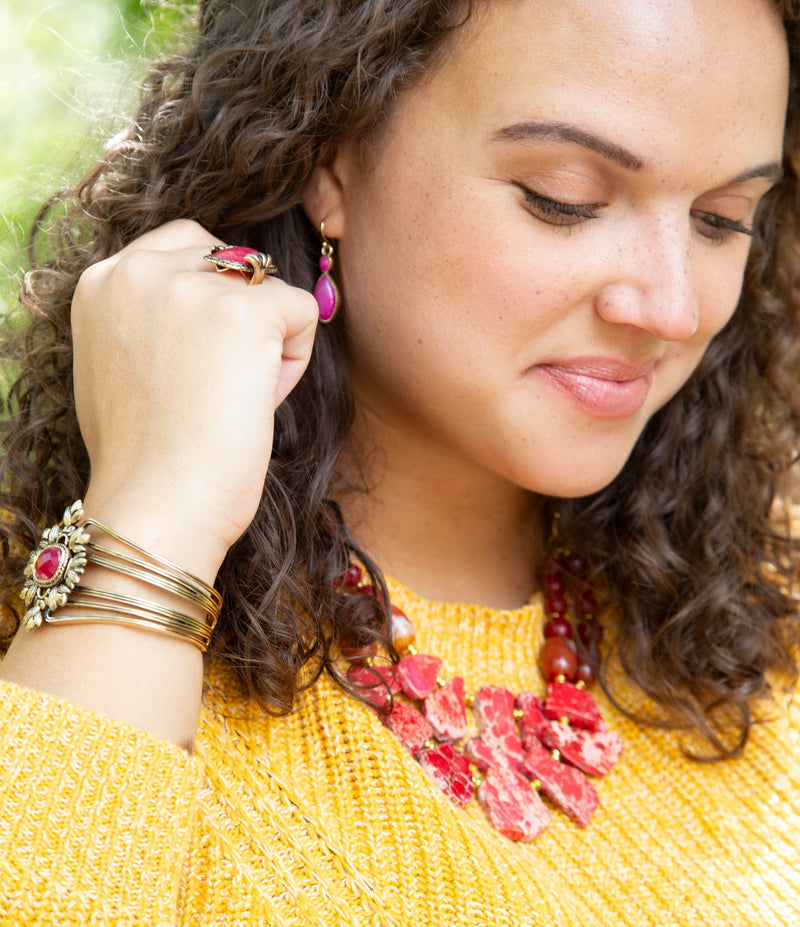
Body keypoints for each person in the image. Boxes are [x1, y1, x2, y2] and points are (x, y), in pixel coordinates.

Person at [0, 0, 798, 922]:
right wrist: (152, 517)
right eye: (563, 198)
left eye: (722, 219)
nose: (669, 307)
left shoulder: (768, 595)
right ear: (326, 153)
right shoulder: (57, 665)